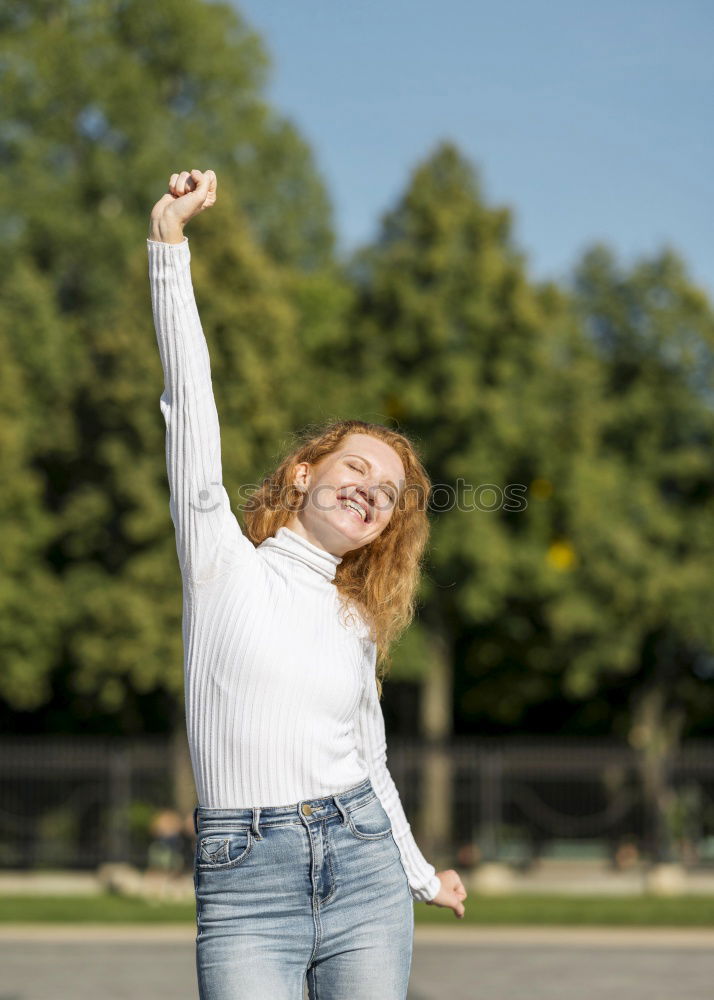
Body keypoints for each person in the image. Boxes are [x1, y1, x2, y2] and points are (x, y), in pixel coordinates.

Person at [147, 168, 467, 1000]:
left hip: (363, 866)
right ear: (301, 474)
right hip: (246, 878)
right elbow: (191, 402)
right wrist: (170, 246)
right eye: (355, 467)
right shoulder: (221, 563)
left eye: (388, 493)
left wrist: (419, 872)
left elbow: (370, 755)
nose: (371, 490)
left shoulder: (356, 616)